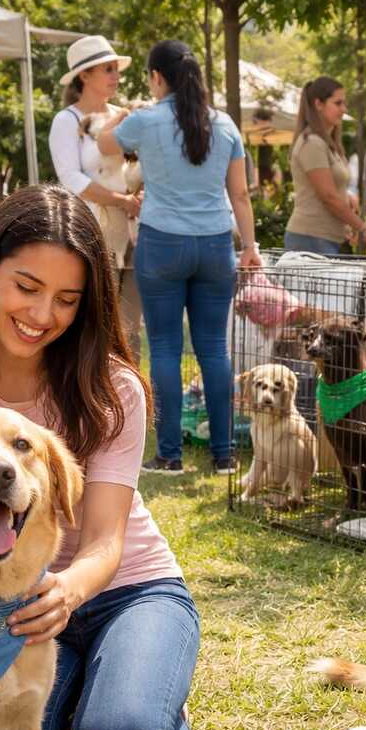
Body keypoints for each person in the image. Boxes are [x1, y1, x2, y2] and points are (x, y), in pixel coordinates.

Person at [0, 184, 198, 730]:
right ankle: (92, 687)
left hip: (127, 590)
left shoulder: (112, 388)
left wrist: (66, 593)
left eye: (66, 299)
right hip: (3, 608)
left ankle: (145, 702)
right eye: (26, 287)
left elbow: (106, 540)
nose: (40, 315)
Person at [96, 39, 260, 476]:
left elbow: (104, 142)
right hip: (214, 246)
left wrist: (120, 111)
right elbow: (240, 194)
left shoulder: (145, 121)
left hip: (162, 244)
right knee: (213, 349)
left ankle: (169, 455)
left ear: (155, 77)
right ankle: (224, 456)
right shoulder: (223, 124)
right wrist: (250, 248)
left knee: (165, 347)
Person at [49, 35, 143, 362]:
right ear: (84, 76)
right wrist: (120, 199)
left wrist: (138, 191)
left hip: (131, 233)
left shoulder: (124, 115)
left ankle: (134, 399)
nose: (115, 76)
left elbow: (137, 166)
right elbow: (72, 179)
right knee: (93, 319)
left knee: (131, 325)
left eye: (116, 69)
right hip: (89, 231)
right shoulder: (66, 120)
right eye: (107, 69)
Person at [283, 76, 366, 255]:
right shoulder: (311, 143)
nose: (344, 109)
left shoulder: (329, 144)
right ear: (318, 104)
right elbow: (328, 196)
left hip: (327, 239)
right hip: (310, 239)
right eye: (338, 103)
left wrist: (347, 197)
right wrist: (363, 227)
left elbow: (333, 190)